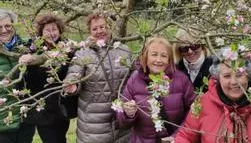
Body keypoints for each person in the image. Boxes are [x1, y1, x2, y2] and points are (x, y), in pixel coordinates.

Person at [63, 13, 132, 143]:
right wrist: (72, 85)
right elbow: (74, 72)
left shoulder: (124, 50)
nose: (99, 31)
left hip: (121, 120)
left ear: (109, 28)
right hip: (93, 126)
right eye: (95, 29)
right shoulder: (83, 53)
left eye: (103, 27)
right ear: (89, 32)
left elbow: (134, 77)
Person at [175, 58, 251, 143]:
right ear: (218, 78)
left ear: (249, 76)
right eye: (227, 76)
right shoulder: (202, 103)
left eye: (239, 74)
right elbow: (185, 136)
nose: (234, 82)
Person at [117, 37, 196, 143]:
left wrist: (177, 136)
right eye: (154, 54)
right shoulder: (134, 80)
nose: (158, 60)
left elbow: (193, 113)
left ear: (169, 59)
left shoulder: (181, 80)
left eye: (163, 56)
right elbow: (122, 122)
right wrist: (128, 113)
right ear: (146, 57)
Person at [18, 13, 71, 143]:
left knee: (61, 139)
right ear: (41, 32)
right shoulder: (33, 49)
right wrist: (28, 61)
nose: (51, 33)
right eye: (47, 30)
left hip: (61, 109)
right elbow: (27, 80)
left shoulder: (67, 47)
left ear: (59, 30)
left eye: (54, 29)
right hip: (43, 111)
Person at [0, 9, 26, 143]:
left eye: (8, 26)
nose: (4, 30)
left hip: (25, 118)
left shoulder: (26, 45)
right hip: (2, 120)